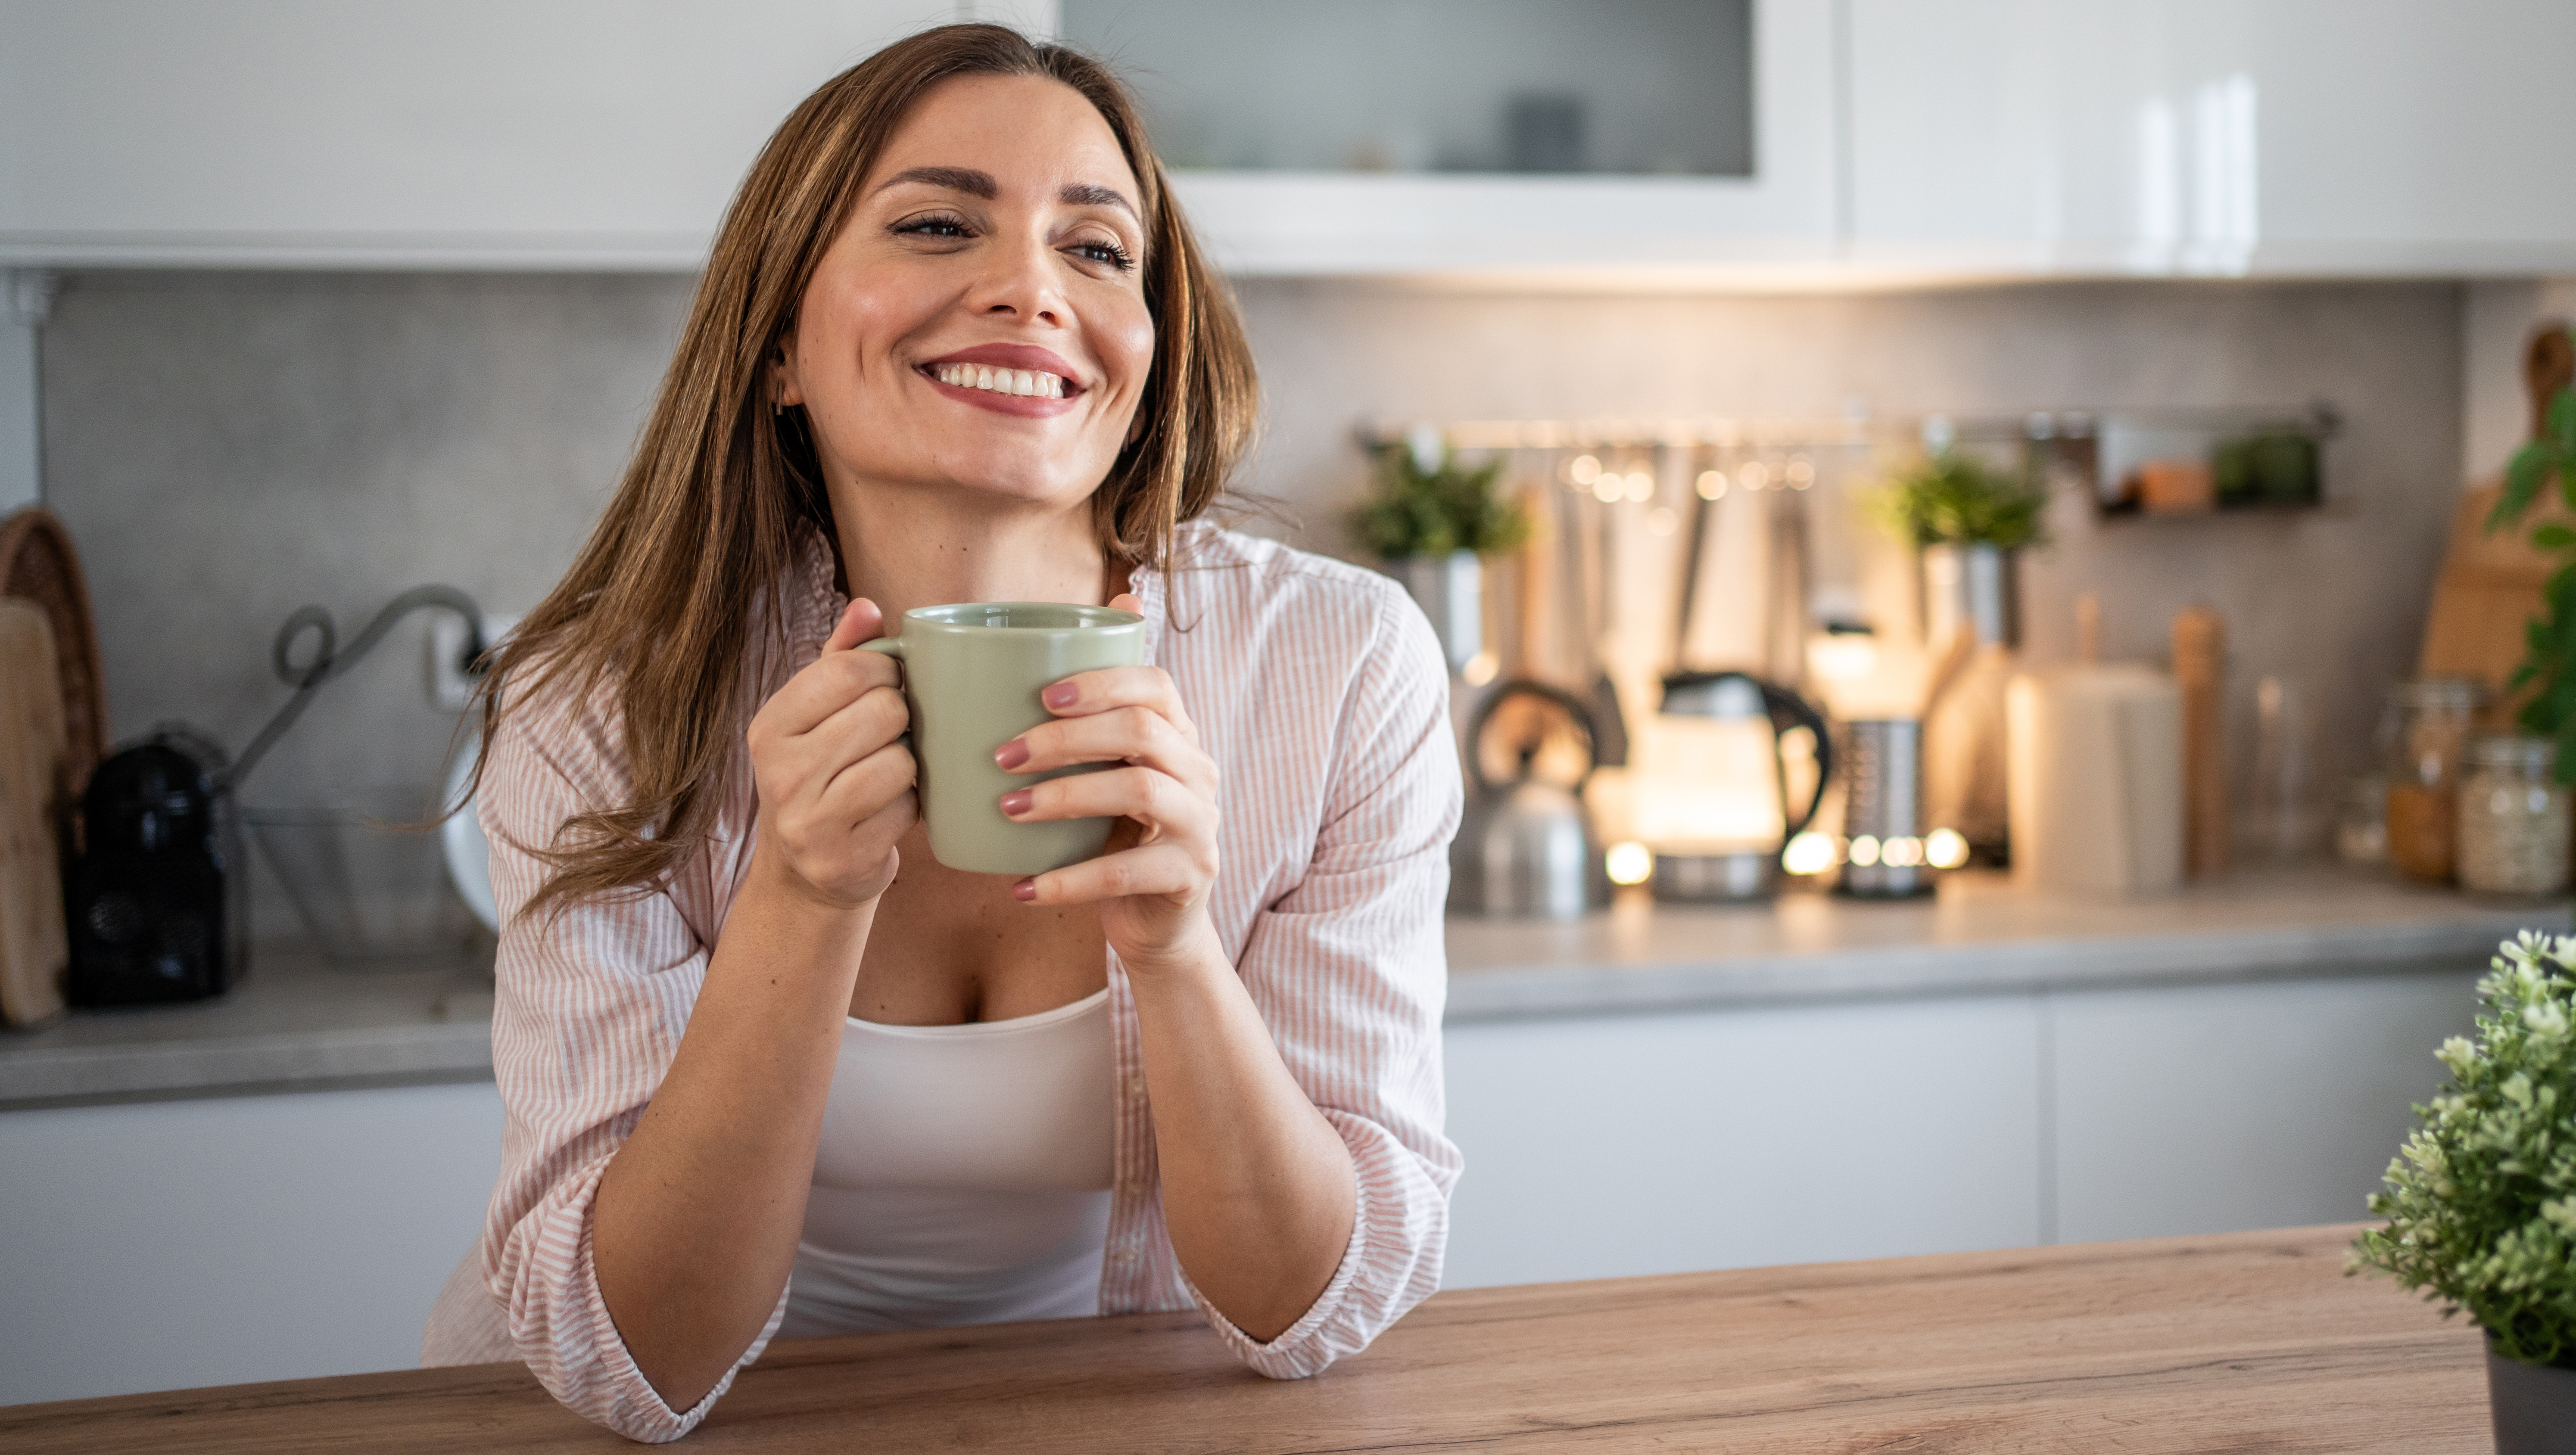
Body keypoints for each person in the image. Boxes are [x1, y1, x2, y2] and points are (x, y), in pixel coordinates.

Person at [417, 23, 1462, 1444]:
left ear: (1143, 352)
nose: (1031, 290)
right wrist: (798, 893)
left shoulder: (1336, 668)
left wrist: (1174, 947)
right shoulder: (596, 701)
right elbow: (629, 1359)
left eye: (1096, 250)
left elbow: (1319, 1306)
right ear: (778, 342)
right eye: (933, 224)